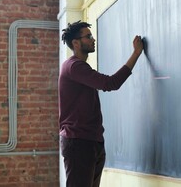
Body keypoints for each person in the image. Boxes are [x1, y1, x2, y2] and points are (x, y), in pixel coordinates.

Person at [58, 20, 143, 187]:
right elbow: (110, 83)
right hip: (79, 141)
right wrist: (136, 53)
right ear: (76, 43)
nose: (93, 39)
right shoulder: (74, 66)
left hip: (91, 140)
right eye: (88, 36)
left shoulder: (80, 68)